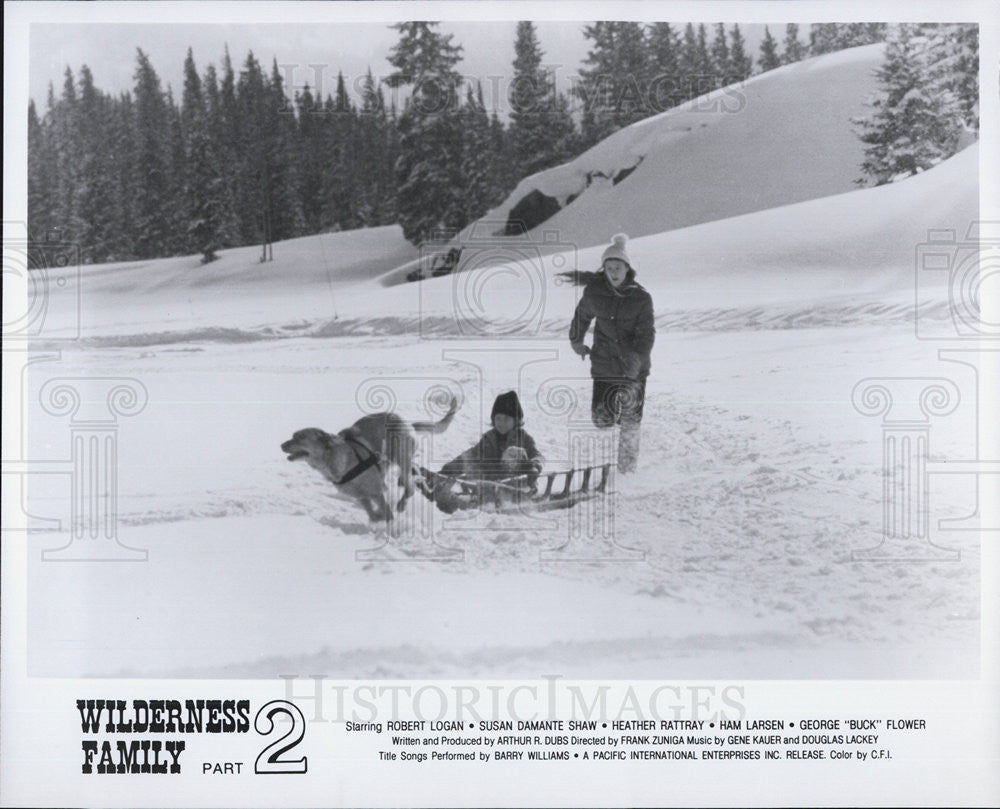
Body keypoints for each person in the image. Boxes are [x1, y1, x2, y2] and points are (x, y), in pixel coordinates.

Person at [568, 233, 655, 473]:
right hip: (604, 364)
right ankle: (612, 418)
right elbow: (581, 317)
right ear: (603, 269)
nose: (613, 272)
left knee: (630, 420)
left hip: (633, 369)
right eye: (608, 267)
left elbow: (647, 334)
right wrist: (576, 341)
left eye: (617, 267)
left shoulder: (641, 298)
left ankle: (627, 470)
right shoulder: (594, 293)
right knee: (601, 419)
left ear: (627, 269)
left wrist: (636, 361)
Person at [433, 391, 544, 513]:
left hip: (517, 485)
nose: (501, 423)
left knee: (512, 453)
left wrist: (534, 467)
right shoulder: (488, 439)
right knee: (472, 462)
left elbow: (537, 456)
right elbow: (470, 455)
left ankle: (508, 499)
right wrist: (449, 469)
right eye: (498, 418)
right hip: (490, 486)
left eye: (506, 419)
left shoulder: (523, 438)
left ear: (516, 420)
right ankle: (451, 497)